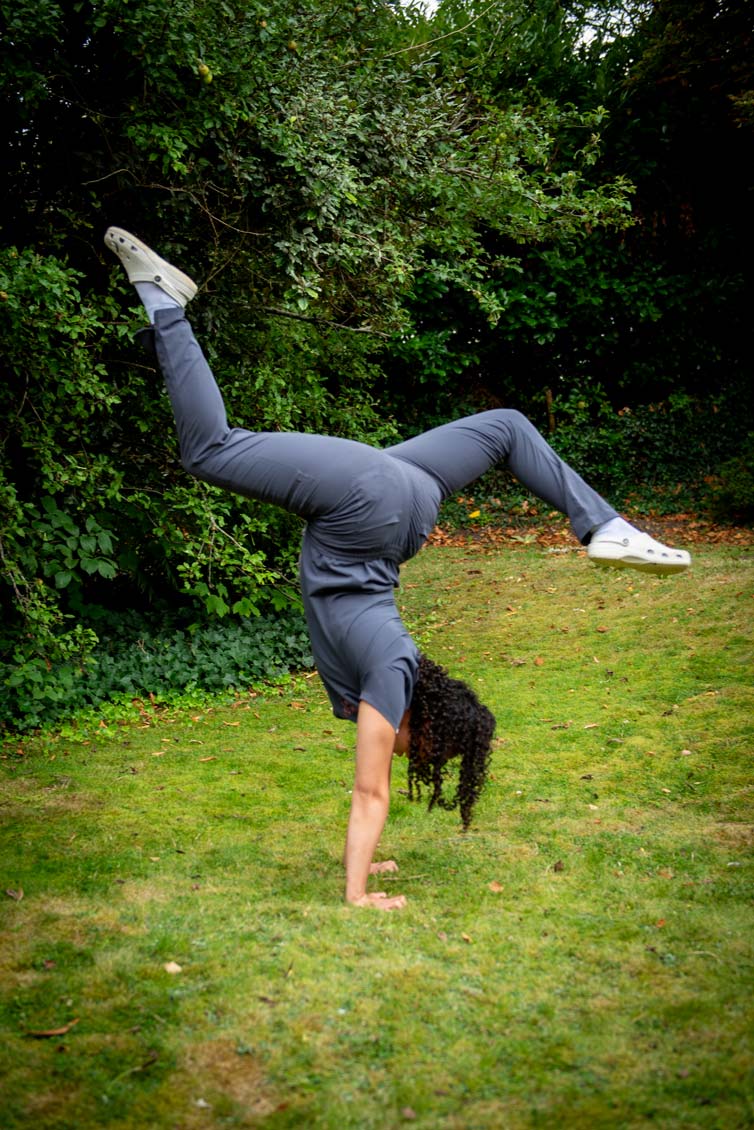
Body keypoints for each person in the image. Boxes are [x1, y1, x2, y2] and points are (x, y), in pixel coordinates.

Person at [105, 227, 691, 911]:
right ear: (425, 724)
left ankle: (606, 524)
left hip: (401, 506)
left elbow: (372, 792)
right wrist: (357, 896)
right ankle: (162, 302)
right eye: (424, 752)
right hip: (372, 507)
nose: (406, 755)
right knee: (210, 449)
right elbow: (369, 792)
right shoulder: (392, 667)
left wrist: (370, 858)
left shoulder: (387, 667)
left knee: (505, 426)